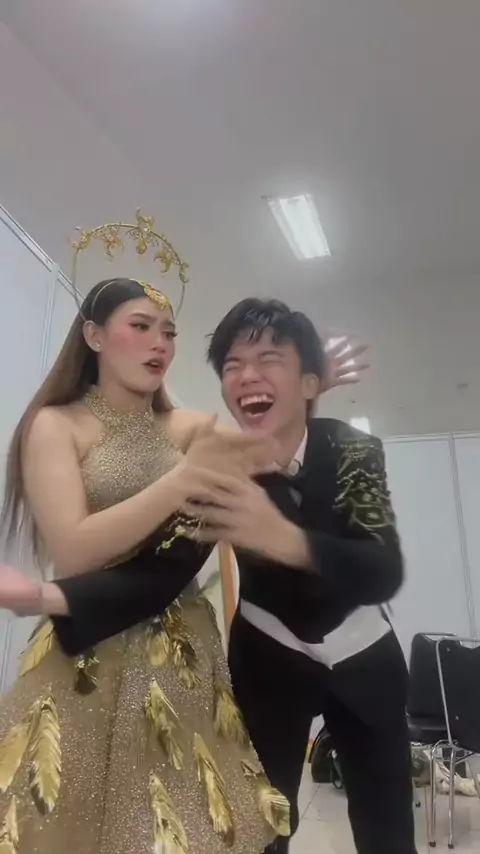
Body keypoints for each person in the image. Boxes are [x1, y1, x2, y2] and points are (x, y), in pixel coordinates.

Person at [1, 299, 412, 854]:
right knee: (264, 829)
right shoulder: (221, 469)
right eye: (233, 366)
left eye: (269, 360)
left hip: (365, 654)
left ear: (310, 382)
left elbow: (381, 568)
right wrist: (44, 595)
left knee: (389, 833)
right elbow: (162, 572)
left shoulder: (352, 449)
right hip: (270, 659)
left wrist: (284, 537)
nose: (248, 377)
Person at [0, 279, 292, 854]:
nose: (160, 344)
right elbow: (75, 551)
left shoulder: (190, 429)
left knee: (185, 824)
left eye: (170, 333)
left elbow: (273, 455)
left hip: (183, 652)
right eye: (141, 327)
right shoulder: (57, 425)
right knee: (64, 818)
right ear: (94, 336)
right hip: (88, 653)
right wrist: (182, 481)